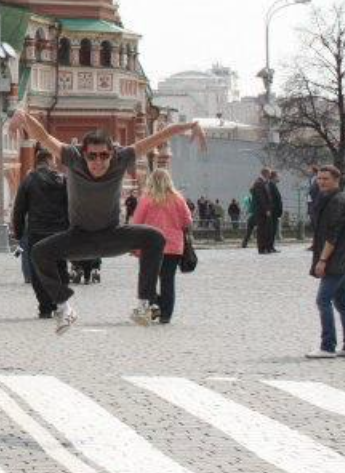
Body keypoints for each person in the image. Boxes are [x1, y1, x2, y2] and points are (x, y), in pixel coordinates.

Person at [12, 112, 205, 333]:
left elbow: (157, 137)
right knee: (38, 251)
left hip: (113, 235)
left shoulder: (122, 158)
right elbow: (44, 137)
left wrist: (192, 124)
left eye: (104, 155)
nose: (98, 162)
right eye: (92, 156)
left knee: (155, 238)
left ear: (112, 153)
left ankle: (144, 304)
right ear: (83, 154)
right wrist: (24, 116)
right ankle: (64, 308)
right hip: (79, 237)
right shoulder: (72, 157)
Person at [305, 165, 345, 358]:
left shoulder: (337, 202)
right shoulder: (327, 199)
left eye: (325, 178)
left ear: (336, 180)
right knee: (342, 301)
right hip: (340, 259)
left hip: (336, 260)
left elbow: (332, 236)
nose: (321, 182)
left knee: (323, 300)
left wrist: (322, 260)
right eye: (319, 178)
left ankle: (327, 346)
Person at [130, 168, 193, 324]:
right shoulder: (178, 199)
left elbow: (137, 222)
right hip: (173, 247)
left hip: (151, 246)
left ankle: (154, 306)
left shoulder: (146, 199)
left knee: (147, 280)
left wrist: (133, 245)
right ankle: (166, 315)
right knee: (168, 280)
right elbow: (188, 221)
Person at [12, 148, 69, 318]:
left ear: (37, 162)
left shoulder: (29, 180)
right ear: (50, 160)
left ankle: (45, 306)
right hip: (60, 232)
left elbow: (19, 208)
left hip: (37, 232)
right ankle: (59, 302)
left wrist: (19, 231)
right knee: (60, 267)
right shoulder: (62, 180)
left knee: (38, 270)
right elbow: (72, 206)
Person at [243, 169, 269, 251]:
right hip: (258, 211)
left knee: (251, 228)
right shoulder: (259, 183)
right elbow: (261, 198)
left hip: (255, 211)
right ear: (266, 174)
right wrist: (266, 209)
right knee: (261, 229)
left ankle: (245, 243)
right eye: (269, 174)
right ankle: (261, 247)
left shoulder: (258, 183)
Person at [266, 170, 284, 252]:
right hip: (273, 211)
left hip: (275, 212)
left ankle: (271, 246)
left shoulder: (273, 185)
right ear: (274, 177)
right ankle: (269, 247)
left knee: (273, 230)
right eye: (278, 176)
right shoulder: (270, 185)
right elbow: (273, 199)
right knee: (271, 230)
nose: (279, 178)